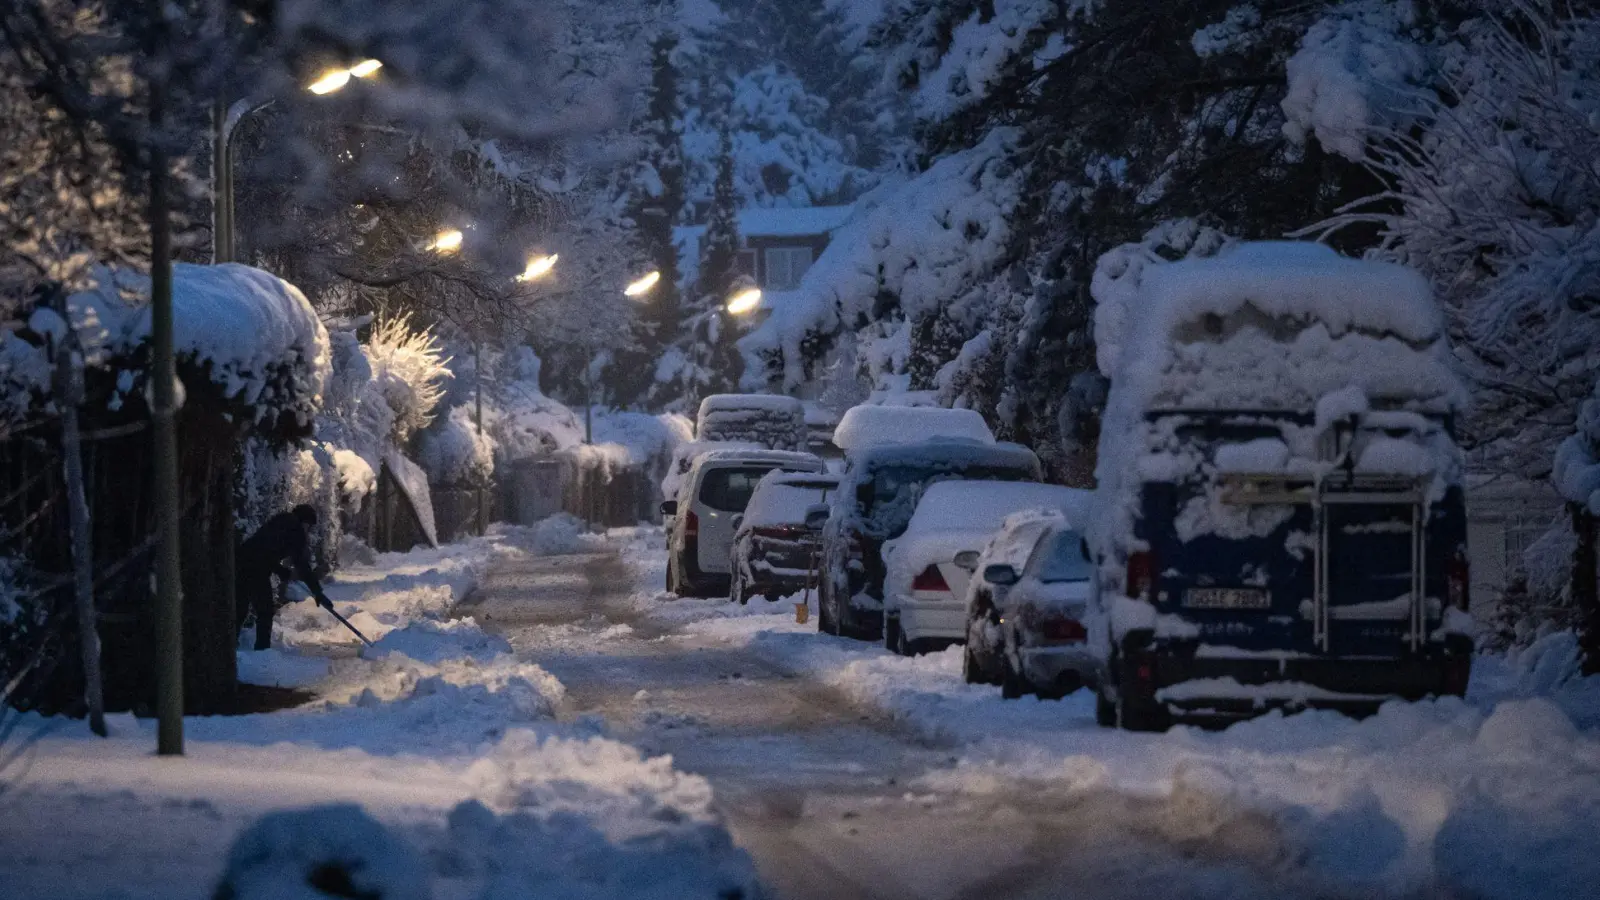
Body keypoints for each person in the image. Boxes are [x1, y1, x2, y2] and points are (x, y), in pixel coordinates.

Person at [236, 504, 332, 651]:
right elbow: (301, 564)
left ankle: (228, 648)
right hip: (256, 570)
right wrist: (317, 591)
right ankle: (262, 652)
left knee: (239, 609)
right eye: (309, 526)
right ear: (304, 521)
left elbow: (265, 550)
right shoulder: (295, 529)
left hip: (240, 563)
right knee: (265, 611)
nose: (308, 531)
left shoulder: (280, 521)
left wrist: (281, 571)